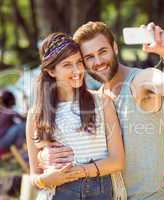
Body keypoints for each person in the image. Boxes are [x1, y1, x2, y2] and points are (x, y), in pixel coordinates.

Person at [38, 22, 164, 200]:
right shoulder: (96, 100)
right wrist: (44, 157)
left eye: (102, 52)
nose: (98, 62)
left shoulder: (138, 82)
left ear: (115, 48)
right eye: (89, 57)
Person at [26, 32, 125, 200]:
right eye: (67, 65)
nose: (77, 70)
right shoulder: (37, 114)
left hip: (100, 188)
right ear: (51, 71)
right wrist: (46, 180)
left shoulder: (102, 102)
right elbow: (34, 176)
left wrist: (78, 172)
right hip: (60, 192)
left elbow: (118, 161)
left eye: (79, 62)